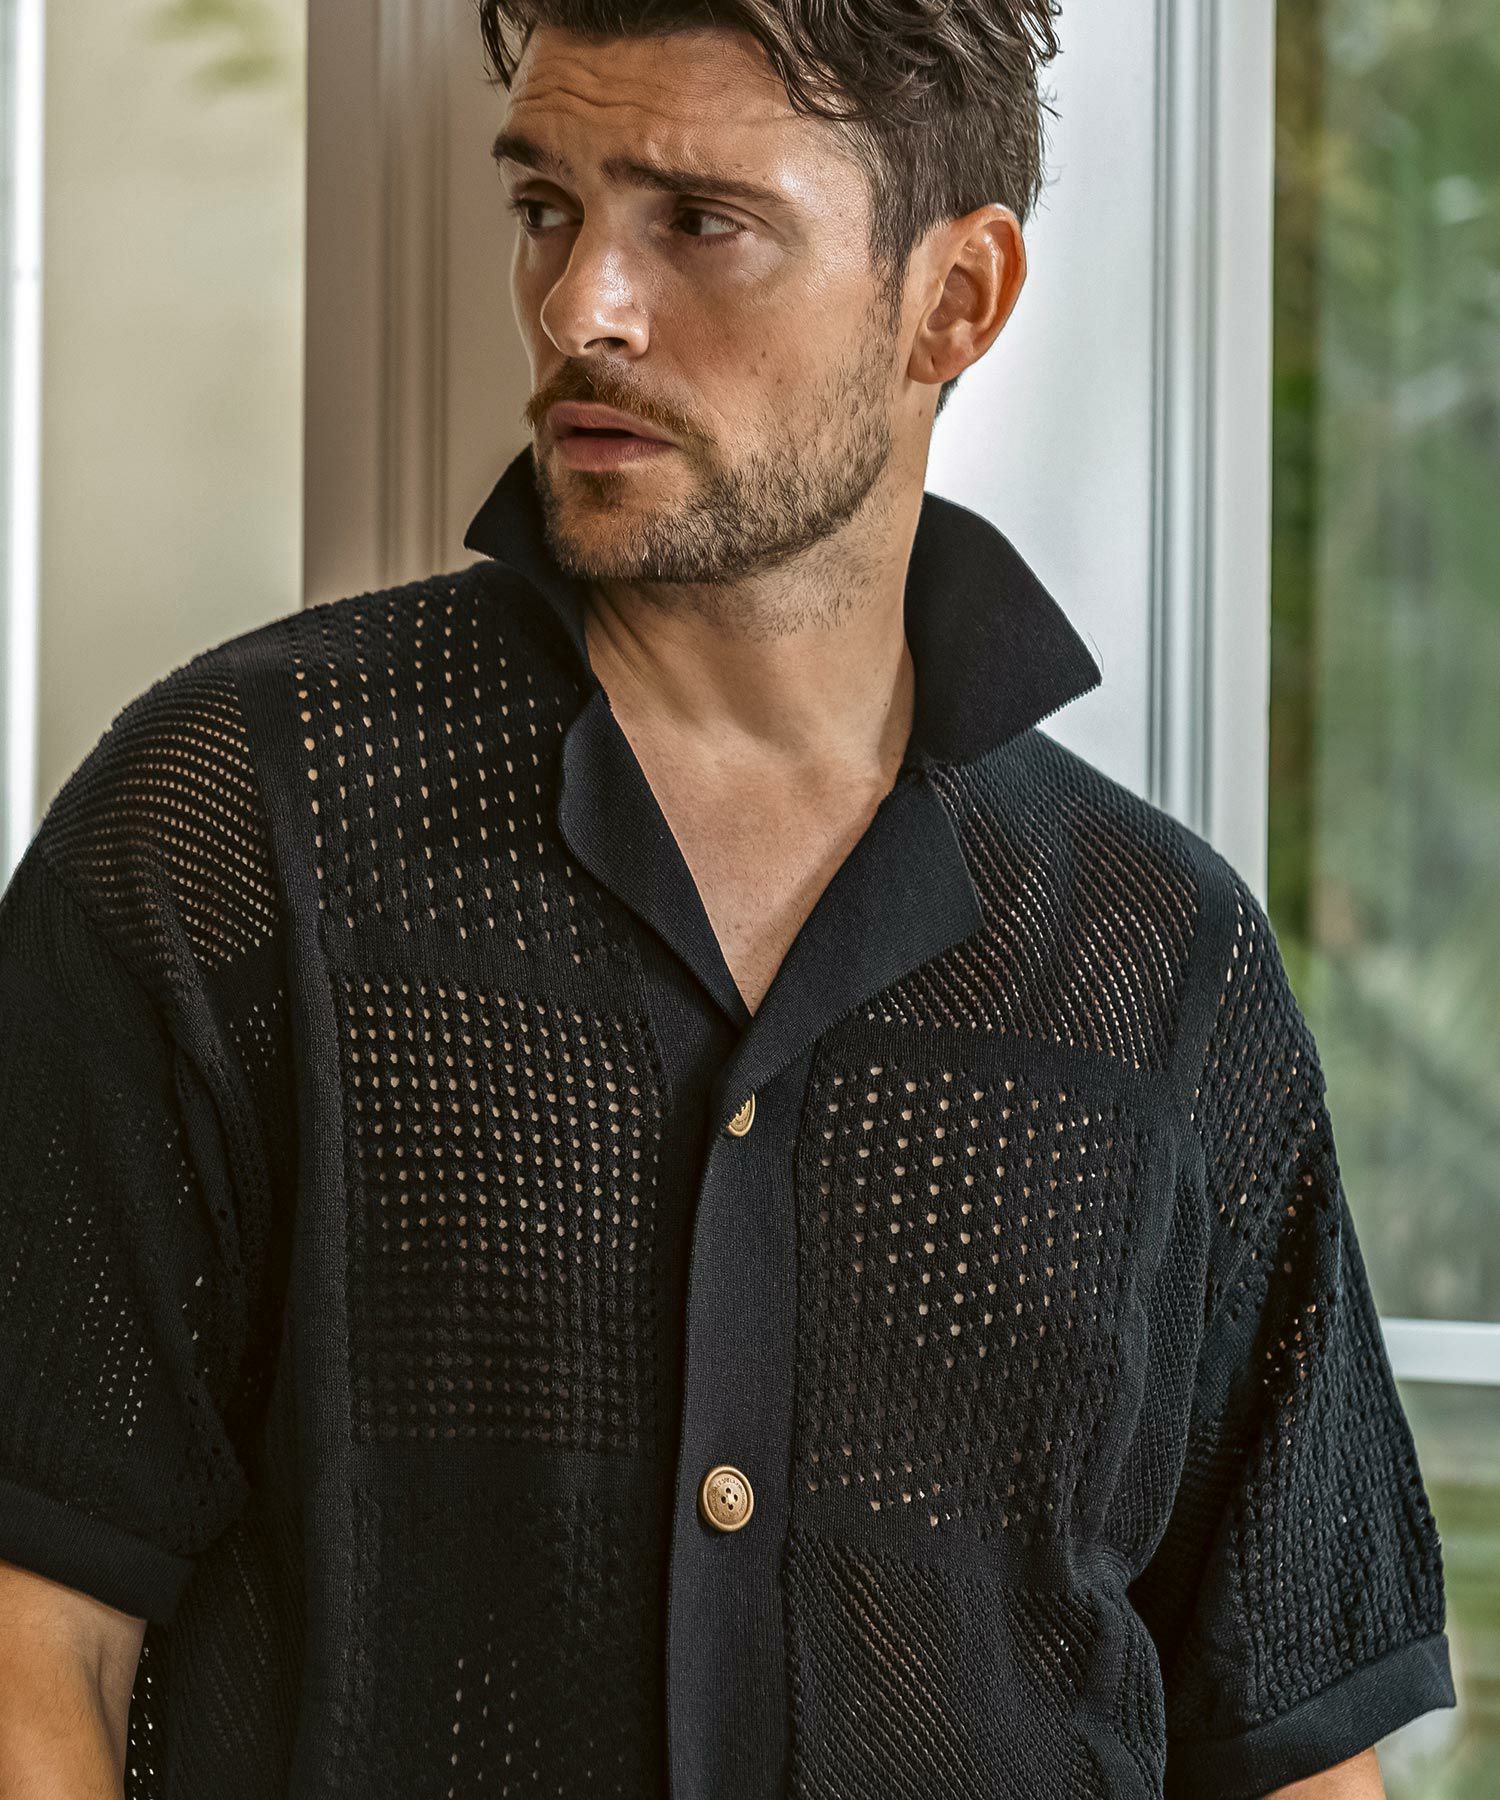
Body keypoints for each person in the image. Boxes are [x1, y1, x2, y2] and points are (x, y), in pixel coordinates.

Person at [0, 4, 1456, 1796]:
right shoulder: (242, 823)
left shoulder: (1164, 960)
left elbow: (1294, 1743)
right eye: (548, 207)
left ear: (956, 300)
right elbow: (28, 1636)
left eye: (700, 223)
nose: (580, 308)